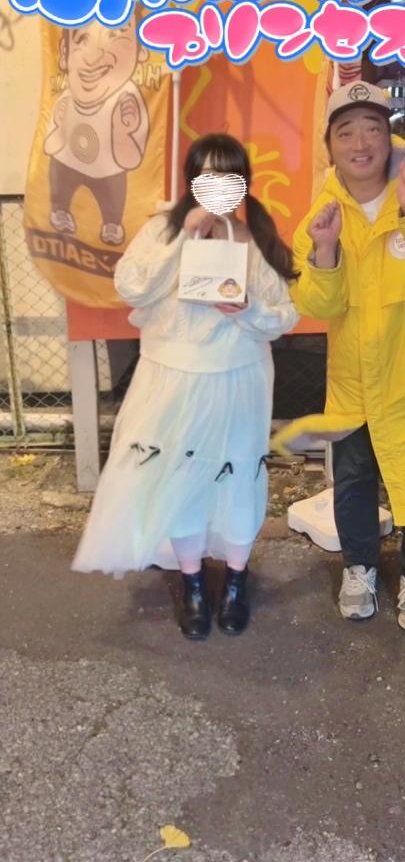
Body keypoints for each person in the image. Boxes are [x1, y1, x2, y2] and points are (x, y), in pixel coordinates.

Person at [274, 81, 405, 635]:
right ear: (329, 145)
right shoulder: (322, 214)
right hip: (355, 382)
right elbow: (318, 305)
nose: (360, 142)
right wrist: (325, 251)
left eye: (372, 128)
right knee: (353, 480)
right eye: (345, 132)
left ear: (388, 135)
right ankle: (359, 568)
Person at [72, 133, 299, 640]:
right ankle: (192, 582)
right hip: (170, 378)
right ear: (191, 181)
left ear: (244, 183)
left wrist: (248, 310)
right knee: (179, 480)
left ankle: (236, 580)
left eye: (230, 176)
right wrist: (184, 239)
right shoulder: (162, 229)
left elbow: (285, 316)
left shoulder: (254, 237)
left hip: (238, 378)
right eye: (207, 176)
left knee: (237, 479)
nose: (218, 186)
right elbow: (131, 286)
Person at [44, 16, 149, 247]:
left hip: (108, 173)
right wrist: (59, 127)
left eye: (114, 35)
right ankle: (60, 209)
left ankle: (112, 223)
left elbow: (131, 160)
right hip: (68, 163)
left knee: (114, 193)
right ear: (64, 53)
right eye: (82, 39)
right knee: (59, 176)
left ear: (141, 50)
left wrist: (122, 133)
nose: (93, 56)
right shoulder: (66, 98)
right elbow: (50, 146)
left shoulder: (126, 100)